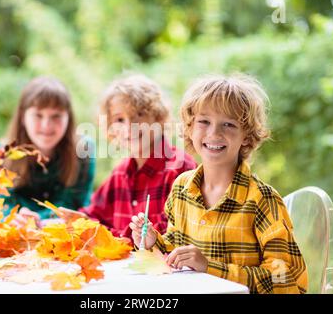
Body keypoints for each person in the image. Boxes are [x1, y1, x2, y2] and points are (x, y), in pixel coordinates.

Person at [130, 74, 308, 294]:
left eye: (229, 124)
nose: (214, 133)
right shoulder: (181, 189)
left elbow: (286, 279)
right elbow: (176, 249)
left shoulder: (262, 200)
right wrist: (152, 242)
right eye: (204, 122)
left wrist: (209, 267)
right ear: (190, 128)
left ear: (246, 136)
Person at [60, 74, 196, 239]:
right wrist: (56, 220)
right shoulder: (120, 174)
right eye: (119, 119)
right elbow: (91, 215)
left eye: (138, 114)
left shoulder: (180, 169)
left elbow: (170, 237)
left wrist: (110, 237)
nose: (129, 126)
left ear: (158, 117)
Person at [0, 76, 95, 224]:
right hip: (16, 235)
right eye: (38, 115)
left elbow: (76, 204)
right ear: (23, 117)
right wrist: (14, 216)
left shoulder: (83, 150)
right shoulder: (0, 154)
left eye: (56, 116)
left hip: (64, 236)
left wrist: (39, 220)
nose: (46, 125)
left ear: (69, 118)